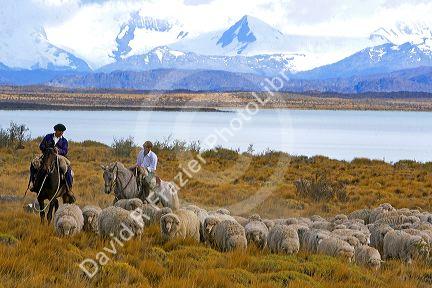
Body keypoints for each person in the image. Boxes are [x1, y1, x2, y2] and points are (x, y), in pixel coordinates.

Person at [29, 124, 74, 200]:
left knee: (66, 167)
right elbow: (41, 146)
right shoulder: (48, 137)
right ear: (55, 131)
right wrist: (48, 148)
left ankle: (68, 188)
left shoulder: (64, 140)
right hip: (47, 154)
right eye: (60, 131)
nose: (61, 133)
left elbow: (65, 151)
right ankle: (32, 182)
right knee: (34, 163)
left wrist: (58, 150)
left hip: (59, 156)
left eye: (62, 132)